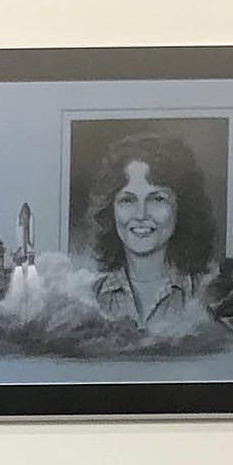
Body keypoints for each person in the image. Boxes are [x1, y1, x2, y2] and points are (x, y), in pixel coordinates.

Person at [89, 131, 218, 332]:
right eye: (128, 200)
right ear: (110, 210)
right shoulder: (88, 299)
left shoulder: (208, 293)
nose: (141, 214)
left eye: (157, 199)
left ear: (182, 207)